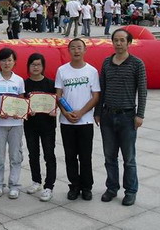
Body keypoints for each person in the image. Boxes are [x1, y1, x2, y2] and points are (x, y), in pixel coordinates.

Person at [94, 29, 147, 206]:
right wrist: (98, 112)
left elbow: (142, 91)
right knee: (109, 157)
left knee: (129, 158)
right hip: (108, 116)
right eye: (115, 40)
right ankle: (111, 188)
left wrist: (140, 115)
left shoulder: (137, 64)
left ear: (129, 43)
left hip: (127, 117)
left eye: (122, 40)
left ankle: (130, 191)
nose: (118, 43)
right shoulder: (106, 62)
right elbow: (102, 89)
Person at [55, 38, 100, 201]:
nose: (76, 51)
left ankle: (87, 187)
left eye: (79, 48)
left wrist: (81, 113)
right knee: (70, 156)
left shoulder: (92, 71)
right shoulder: (62, 70)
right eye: (73, 48)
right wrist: (65, 113)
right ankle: (74, 185)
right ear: (68, 51)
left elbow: (96, 96)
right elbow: (58, 95)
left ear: (85, 50)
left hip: (85, 121)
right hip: (66, 122)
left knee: (85, 156)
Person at [0, 48, 25, 199]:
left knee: (16, 155)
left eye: (9, 60)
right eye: (3, 60)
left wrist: (19, 111)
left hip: (16, 124)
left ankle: (14, 185)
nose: (6, 63)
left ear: (14, 62)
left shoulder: (19, 80)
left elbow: (21, 100)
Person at [24, 53, 57, 202]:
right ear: (28, 66)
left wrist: (54, 110)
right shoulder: (24, 84)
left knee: (49, 155)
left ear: (43, 66)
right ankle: (36, 181)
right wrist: (26, 110)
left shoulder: (50, 84)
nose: (35, 67)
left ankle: (49, 186)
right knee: (33, 154)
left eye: (38, 64)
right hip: (30, 126)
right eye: (33, 64)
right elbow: (20, 104)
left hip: (48, 126)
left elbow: (57, 102)